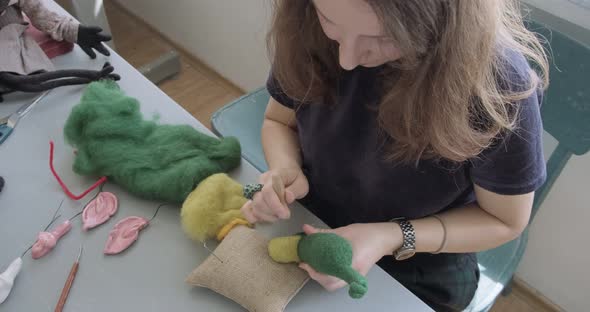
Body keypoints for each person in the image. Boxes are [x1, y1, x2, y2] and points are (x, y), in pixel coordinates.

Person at [241, 1, 549, 311]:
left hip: (420, 265)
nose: (347, 59)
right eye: (329, 20)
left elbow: (504, 220)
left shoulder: (496, 86)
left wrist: (390, 237)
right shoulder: (306, 25)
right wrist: (285, 166)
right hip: (312, 224)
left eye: (383, 38)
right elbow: (278, 121)